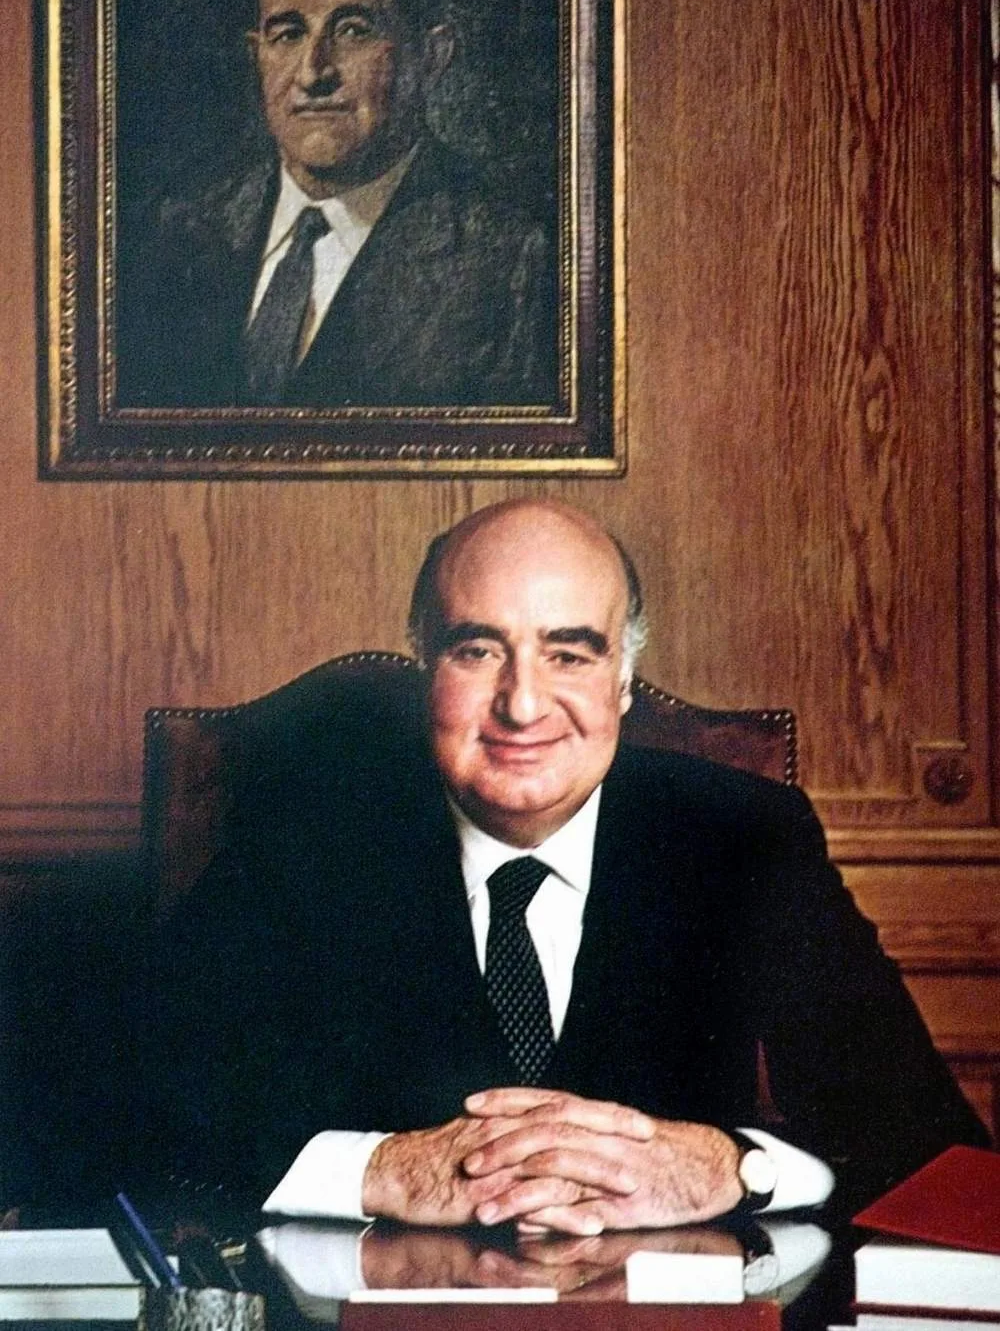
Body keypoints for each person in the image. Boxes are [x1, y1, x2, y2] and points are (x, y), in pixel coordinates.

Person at [142, 500, 987, 1235]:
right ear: (424, 670)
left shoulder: (743, 836)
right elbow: (132, 1116)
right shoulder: (309, 838)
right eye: (476, 651)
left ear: (623, 681)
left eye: (570, 653)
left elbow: (928, 1142)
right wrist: (383, 1170)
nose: (521, 703)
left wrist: (733, 1169)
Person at [115, 0, 557, 410]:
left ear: (432, 56)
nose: (313, 72)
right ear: (256, 56)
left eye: (352, 31)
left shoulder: (518, 258)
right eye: (287, 35)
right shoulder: (176, 237)